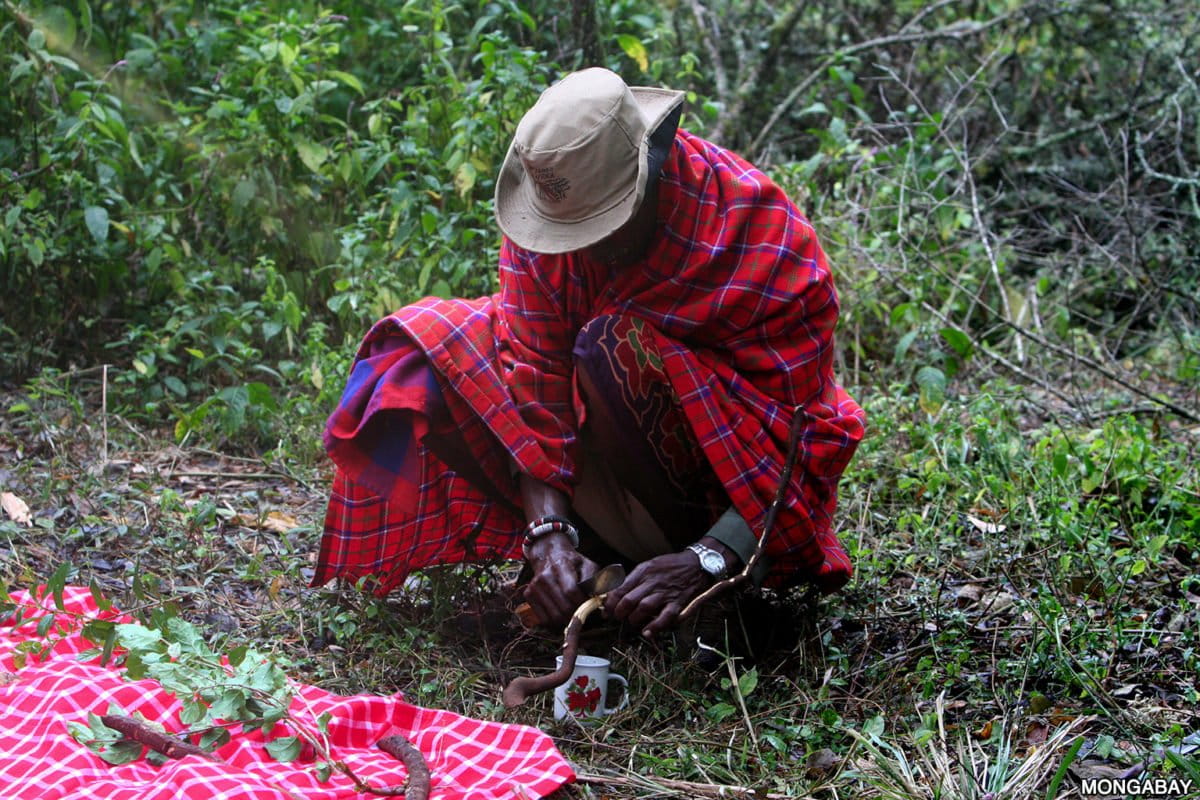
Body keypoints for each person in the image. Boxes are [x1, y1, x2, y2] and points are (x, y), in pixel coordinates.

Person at [315, 68, 865, 639]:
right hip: (605, 480)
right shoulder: (549, 222)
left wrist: (710, 555)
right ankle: (592, 559)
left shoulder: (759, 235)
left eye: (603, 225)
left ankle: (706, 582)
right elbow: (533, 377)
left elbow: (803, 431)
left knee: (615, 343)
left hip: (730, 505)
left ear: (653, 166)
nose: (581, 248)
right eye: (568, 230)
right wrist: (549, 535)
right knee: (433, 345)